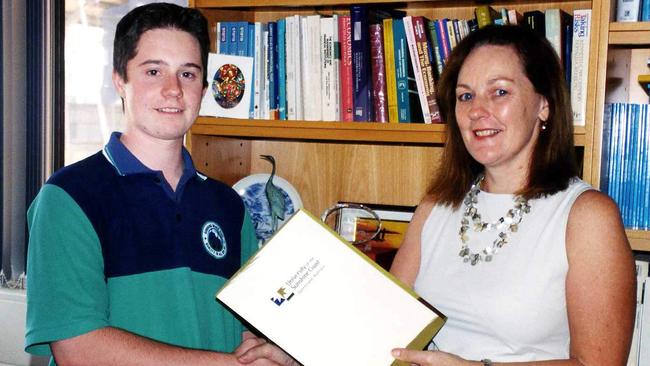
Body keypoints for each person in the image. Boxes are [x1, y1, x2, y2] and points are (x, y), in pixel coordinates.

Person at [25, 3, 295, 366]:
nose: (173, 90)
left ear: (203, 86)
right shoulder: (68, 198)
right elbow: (79, 348)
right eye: (154, 71)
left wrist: (277, 353)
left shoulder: (229, 206)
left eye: (188, 74)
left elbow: (244, 329)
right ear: (120, 79)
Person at [390, 25, 636, 365]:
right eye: (465, 96)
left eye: (500, 92)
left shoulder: (586, 217)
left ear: (543, 106)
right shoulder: (436, 206)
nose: (477, 110)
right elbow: (386, 326)